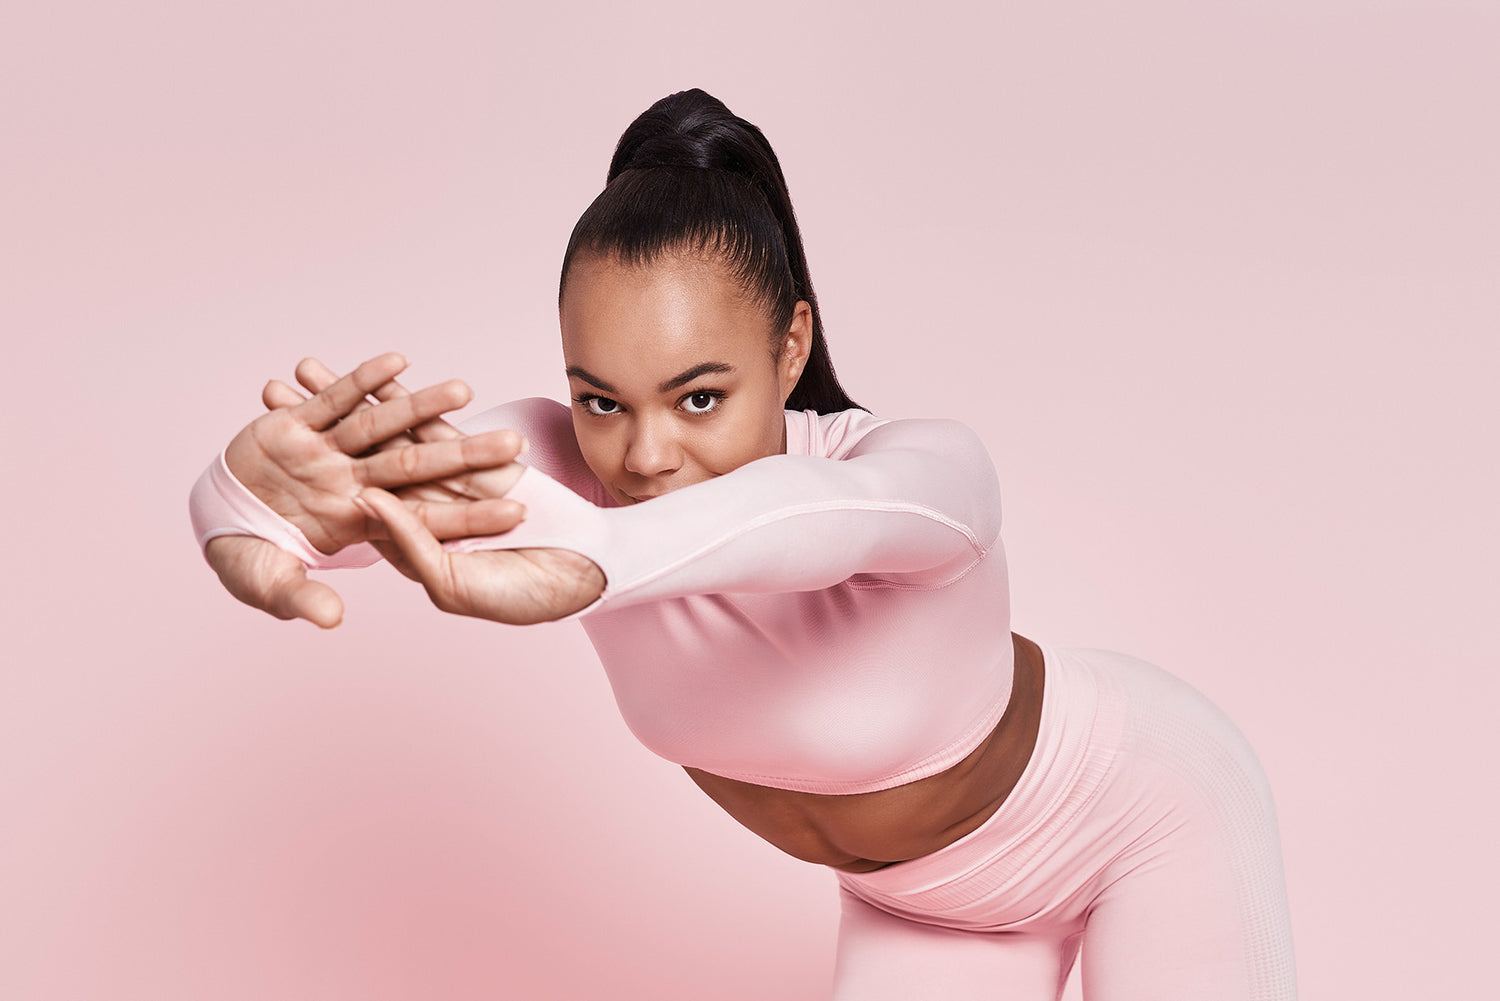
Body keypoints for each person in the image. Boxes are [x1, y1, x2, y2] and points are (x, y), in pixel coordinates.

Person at [189, 89, 1298, 999]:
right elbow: (334, 505)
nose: (646, 455)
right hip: (919, 900)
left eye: (699, 395)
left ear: (791, 343)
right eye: (601, 399)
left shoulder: (915, 475)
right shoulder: (560, 472)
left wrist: (599, 560)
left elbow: (799, 522)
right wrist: (241, 498)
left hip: (1142, 817)